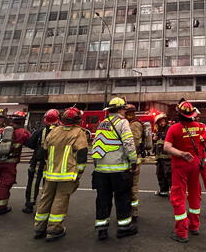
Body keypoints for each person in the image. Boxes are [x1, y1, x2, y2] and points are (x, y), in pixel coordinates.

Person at [33, 107, 88, 242]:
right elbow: (82, 155)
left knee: (45, 199)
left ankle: (39, 227)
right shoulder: (78, 133)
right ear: (78, 120)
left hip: (50, 173)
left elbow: (43, 152)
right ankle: (54, 229)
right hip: (67, 174)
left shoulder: (54, 131)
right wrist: (79, 173)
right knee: (60, 200)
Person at [91, 97, 138, 240]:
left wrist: (97, 164)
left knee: (103, 199)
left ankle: (102, 229)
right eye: (124, 108)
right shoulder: (122, 122)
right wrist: (134, 160)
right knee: (122, 198)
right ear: (119, 109)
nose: (125, 111)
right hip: (118, 170)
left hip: (101, 171)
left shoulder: (102, 123)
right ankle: (124, 227)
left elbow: (96, 144)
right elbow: (128, 143)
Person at [164, 100, 206, 243]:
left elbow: (167, 147)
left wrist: (181, 153)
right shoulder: (199, 127)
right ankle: (194, 226)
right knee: (195, 194)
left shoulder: (174, 128)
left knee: (178, 196)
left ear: (179, 114)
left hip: (180, 165)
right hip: (195, 165)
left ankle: (182, 232)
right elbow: (203, 143)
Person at [23, 109, 60, 214]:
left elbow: (30, 143)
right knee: (49, 185)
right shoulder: (61, 131)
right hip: (53, 162)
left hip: (38, 161)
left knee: (34, 182)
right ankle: (46, 206)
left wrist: (39, 148)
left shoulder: (40, 131)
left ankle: (29, 205)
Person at [125, 104, 152, 221]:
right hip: (132, 160)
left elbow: (134, 144)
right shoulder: (130, 123)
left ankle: (133, 212)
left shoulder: (134, 125)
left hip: (132, 161)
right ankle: (129, 210)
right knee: (130, 187)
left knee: (132, 187)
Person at [153, 113, 172, 197]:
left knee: (169, 175)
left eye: (163, 121)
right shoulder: (158, 131)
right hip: (160, 157)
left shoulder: (169, 129)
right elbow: (157, 143)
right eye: (160, 122)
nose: (161, 123)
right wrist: (154, 139)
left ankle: (175, 192)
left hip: (168, 157)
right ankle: (163, 191)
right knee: (160, 174)